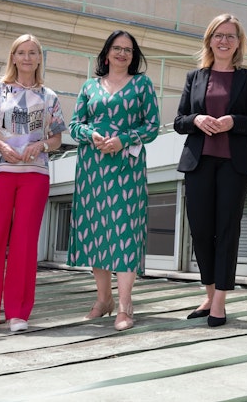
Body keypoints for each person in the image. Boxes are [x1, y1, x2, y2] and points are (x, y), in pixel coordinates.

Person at [174, 15, 247, 328]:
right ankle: (209, 291)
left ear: (238, 42)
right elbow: (179, 121)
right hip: (198, 162)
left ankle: (219, 302)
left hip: (234, 164)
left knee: (227, 232)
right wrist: (197, 120)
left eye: (231, 36)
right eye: (219, 35)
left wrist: (234, 122)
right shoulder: (195, 77)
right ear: (209, 39)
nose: (224, 41)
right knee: (201, 230)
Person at [0, 35, 66, 335]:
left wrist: (42, 147)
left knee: (24, 242)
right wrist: (0, 145)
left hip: (34, 174)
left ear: (39, 58)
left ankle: (18, 312)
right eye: (21, 52)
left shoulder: (49, 97)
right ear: (13, 57)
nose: (26, 57)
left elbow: (58, 138)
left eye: (32, 53)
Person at [68, 31, 160, 331]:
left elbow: (152, 126)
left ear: (134, 56)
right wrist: (90, 135)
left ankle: (125, 305)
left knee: (125, 233)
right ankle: (103, 299)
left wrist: (123, 139)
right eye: (117, 48)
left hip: (127, 168)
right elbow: (74, 126)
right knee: (97, 231)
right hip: (93, 168)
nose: (122, 54)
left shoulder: (142, 84)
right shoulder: (89, 86)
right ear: (106, 53)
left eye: (128, 50)